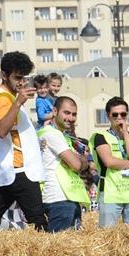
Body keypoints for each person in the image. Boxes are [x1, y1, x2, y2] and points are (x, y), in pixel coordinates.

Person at [0, 51, 48, 231]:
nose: (21, 82)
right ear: (5, 75)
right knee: (38, 221)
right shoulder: (3, 97)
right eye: (17, 78)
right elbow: (2, 130)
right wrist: (18, 102)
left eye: (24, 78)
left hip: (8, 169)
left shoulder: (5, 96)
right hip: (18, 169)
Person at [91, 97, 129, 227]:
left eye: (123, 114)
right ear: (108, 116)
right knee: (107, 233)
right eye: (115, 114)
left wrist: (125, 133)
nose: (119, 118)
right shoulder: (100, 136)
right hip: (110, 193)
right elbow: (109, 162)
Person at [38, 96, 90, 232]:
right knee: (58, 243)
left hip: (68, 197)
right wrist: (84, 159)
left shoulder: (62, 136)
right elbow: (77, 165)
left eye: (74, 114)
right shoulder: (52, 134)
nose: (71, 118)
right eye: (66, 113)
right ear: (55, 111)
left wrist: (80, 160)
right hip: (59, 199)